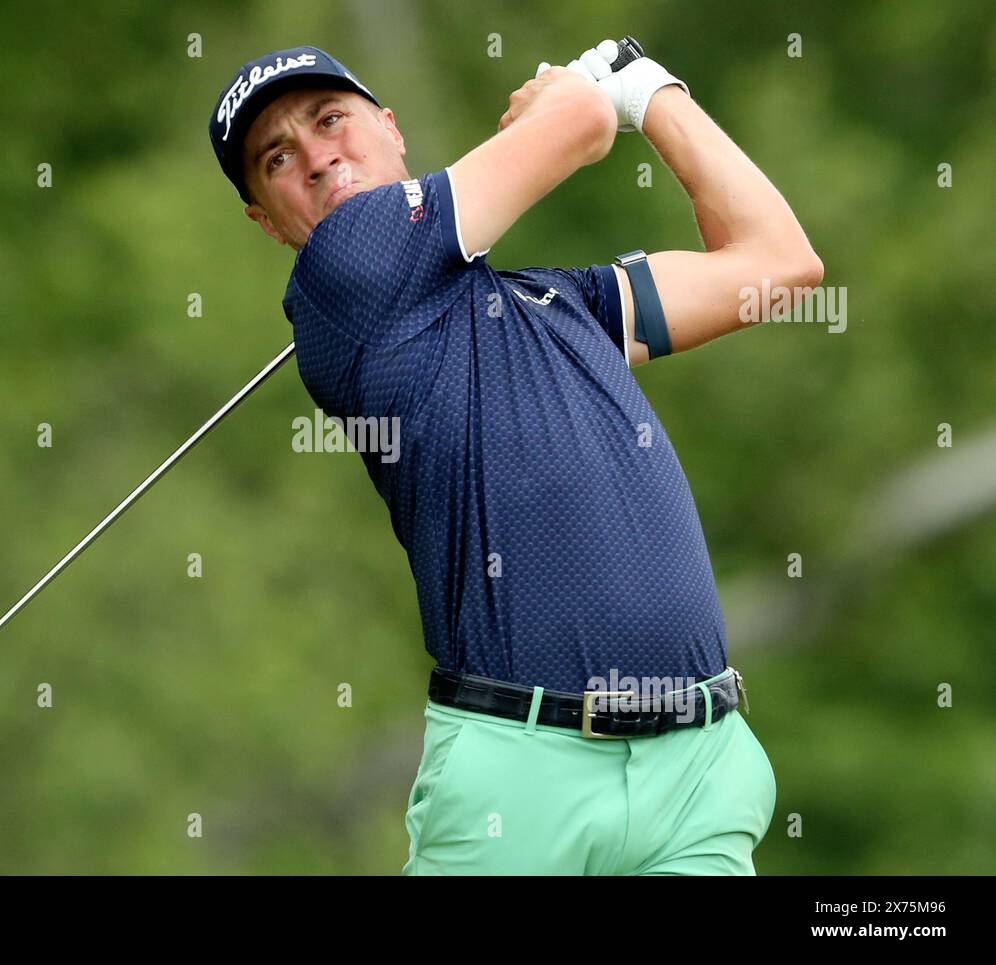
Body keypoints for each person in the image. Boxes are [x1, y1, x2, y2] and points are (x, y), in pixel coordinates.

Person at [208, 42, 820, 875]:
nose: (318, 159)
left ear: (391, 129)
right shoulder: (339, 279)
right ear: (267, 220)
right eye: (277, 158)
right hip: (519, 788)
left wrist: (652, 93)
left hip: (697, 772)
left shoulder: (555, 305)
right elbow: (577, 122)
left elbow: (778, 267)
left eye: (330, 120)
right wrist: (581, 93)